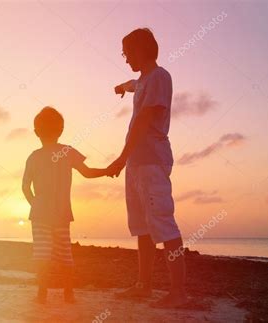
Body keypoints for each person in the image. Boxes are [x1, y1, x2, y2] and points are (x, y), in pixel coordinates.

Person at [107, 28, 188, 308]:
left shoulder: (159, 77)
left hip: (151, 160)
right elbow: (133, 83)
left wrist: (120, 157)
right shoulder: (141, 81)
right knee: (142, 227)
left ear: (141, 50)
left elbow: (143, 121)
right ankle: (144, 285)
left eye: (127, 52)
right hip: (136, 164)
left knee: (163, 224)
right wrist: (121, 87)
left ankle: (178, 291)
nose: (125, 58)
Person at [22, 106, 109, 304]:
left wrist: (35, 204)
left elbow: (25, 186)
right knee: (65, 256)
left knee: (42, 255)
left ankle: (41, 295)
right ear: (61, 130)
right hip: (61, 215)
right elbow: (87, 172)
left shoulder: (33, 157)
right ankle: (68, 294)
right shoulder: (67, 152)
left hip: (40, 215)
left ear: (36, 132)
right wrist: (107, 170)